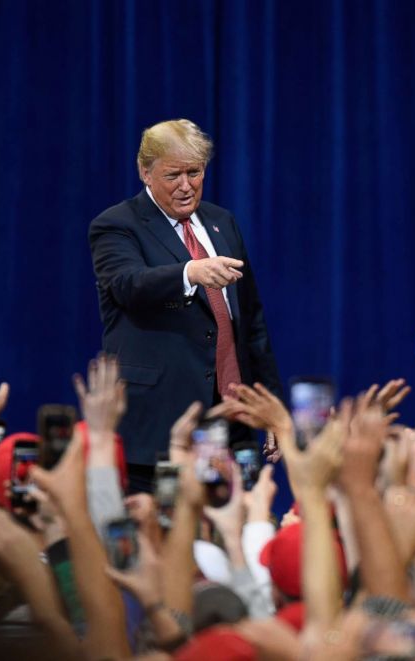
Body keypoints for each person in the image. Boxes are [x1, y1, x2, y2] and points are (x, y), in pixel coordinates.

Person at [88, 119, 282, 489]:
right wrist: (190, 273)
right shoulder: (116, 225)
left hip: (231, 422)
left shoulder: (221, 222)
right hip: (159, 426)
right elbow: (128, 285)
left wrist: (269, 404)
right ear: (145, 171)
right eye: (173, 175)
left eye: (194, 172)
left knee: (233, 534)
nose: (186, 185)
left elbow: (252, 321)